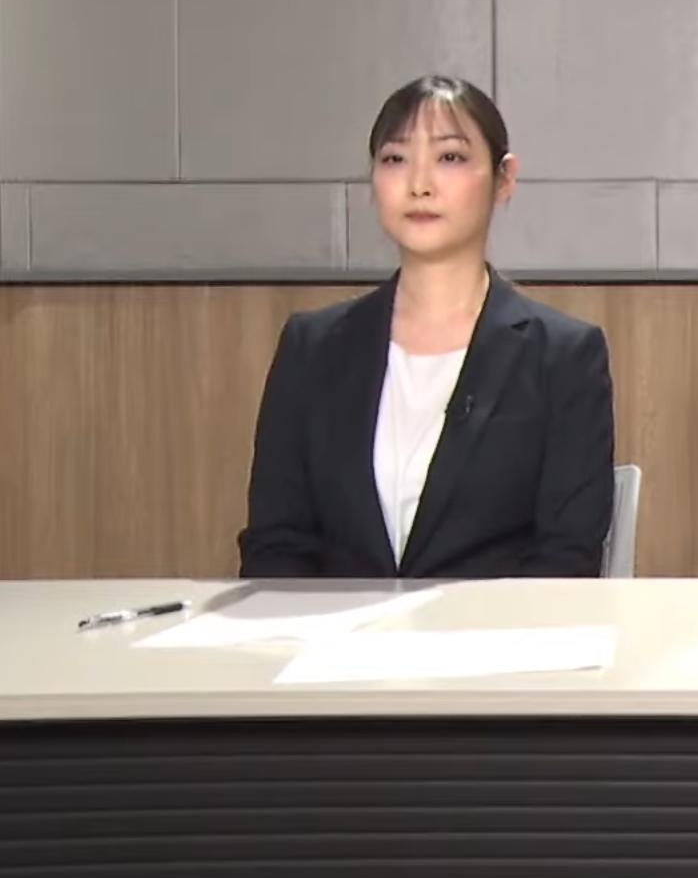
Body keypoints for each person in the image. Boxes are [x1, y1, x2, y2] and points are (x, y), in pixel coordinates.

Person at [238, 76, 615, 578]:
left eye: (450, 157)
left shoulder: (564, 356)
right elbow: (276, 545)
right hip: (330, 629)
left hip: (498, 628)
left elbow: (566, 559)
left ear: (504, 179)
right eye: (395, 159)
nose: (419, 184)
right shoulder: (312, 348)